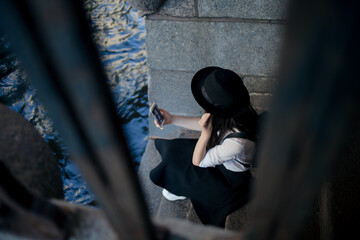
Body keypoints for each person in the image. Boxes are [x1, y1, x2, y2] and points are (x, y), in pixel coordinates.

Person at [150, 66, 258, 227]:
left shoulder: (237, 144)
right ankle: (179, 184)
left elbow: (198, 161)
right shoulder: (236, 113)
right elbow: (206, 124)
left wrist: (206, 135)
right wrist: (172, 119)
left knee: (177, 166)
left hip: (227, 181)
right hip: (221, 158)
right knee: (176, 149)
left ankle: (180, 188)